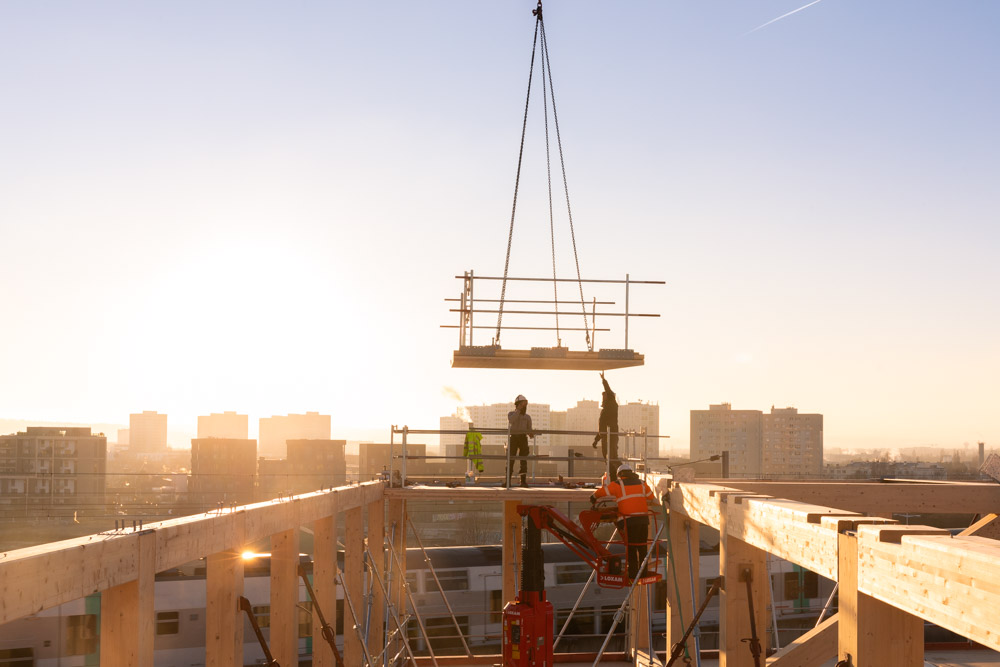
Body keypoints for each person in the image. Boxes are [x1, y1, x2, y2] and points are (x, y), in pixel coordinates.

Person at [590, 462, 658, 580]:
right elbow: (651, 497)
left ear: (620, 475)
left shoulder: (618, 484)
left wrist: (593, 497)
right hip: (643, 519)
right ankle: (643, 573)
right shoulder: (642, 483)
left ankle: (632, 574)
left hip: (629, 521)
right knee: (642, 548)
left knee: (631, 548)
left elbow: (602, 491)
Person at [591, 372, 621, 480]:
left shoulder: (612, 405)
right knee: (607, 459)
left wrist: (604, 380)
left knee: (612, 458)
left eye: (604, 396)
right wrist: (596, 439)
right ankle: (613, 479)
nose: (603, 398)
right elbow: (602, 428)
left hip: (611, 436)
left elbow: (608, 390)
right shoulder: (604, 411)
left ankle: (625, 474)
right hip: (605, 438)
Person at [507, 394, 535, 488]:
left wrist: (531, 433)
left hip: (523, 438)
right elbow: (511, 421)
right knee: (510, 459)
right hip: (514, 438)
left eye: (525, 405)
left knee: (523, 460)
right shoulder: (511, 414)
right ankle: (508, 482)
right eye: (522, 404)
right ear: (517, 405)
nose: (524, 407)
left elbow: (529, 430)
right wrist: (518, 410)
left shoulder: (527, 417)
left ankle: (523, 481)